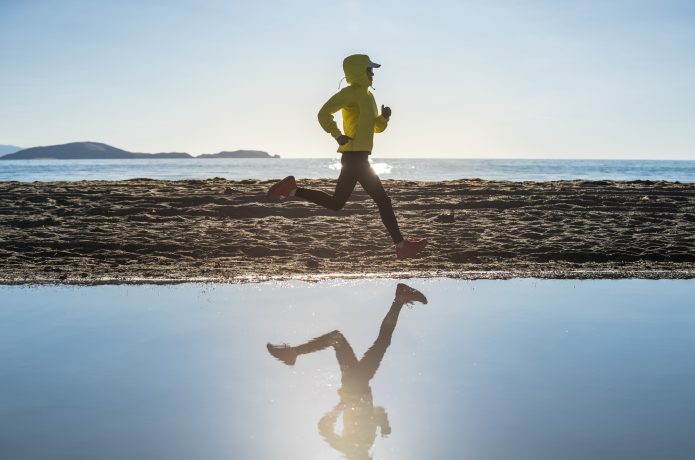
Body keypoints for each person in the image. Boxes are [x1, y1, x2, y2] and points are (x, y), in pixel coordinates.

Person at [267, 54, 427, 259]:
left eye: (373, 70)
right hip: (354, 157)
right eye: (370, 70)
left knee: (336, 203)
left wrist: (384, 118)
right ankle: (401, 246)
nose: (373, 74)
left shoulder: (369, 97)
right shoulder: (349, 93)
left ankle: (292, 190)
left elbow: (375, 128)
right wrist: (337, 134)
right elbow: (323, 113)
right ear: (359, 71)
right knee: (383, 201)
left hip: (358, 158)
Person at [267, 283, 428, 460]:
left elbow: (323, 426)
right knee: (374, 341)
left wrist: (341, 407)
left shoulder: (347, 448)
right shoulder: (367, 443)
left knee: (345, 339)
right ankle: (400, 298)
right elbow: (376, 411)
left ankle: (400, 298)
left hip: (354, 385)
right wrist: (383, 423)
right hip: (360, 382)